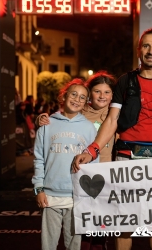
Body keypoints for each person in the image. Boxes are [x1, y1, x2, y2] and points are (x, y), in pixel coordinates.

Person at [72, 28, 152, 250]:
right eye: (146, 46)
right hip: (127, 155)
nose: (151, 50)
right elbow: (112, 120)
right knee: (125, 220)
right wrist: (92, 150)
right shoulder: (124, 81)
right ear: (139, 50)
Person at [37, 71, 117, 250]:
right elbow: (61, 120)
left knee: (100, 231)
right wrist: (42, 120)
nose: (102, 96)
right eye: (97, 91)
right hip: (80, 181)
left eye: (107, 92)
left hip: (105, 179)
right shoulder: (81, 112)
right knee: (81, 233)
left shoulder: (116, 115)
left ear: (113, 95)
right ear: (90, 94)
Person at [32, 78, 99, 250]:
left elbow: (93, 161)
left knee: (74, 245)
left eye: (82, 97)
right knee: (48, 245)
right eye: (74, 94)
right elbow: (39, 158)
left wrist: (88, 194)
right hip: (50, 195)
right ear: (64, 96)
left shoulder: (89, 128)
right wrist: (39, 189)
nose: (77, 99)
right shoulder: (47, 124)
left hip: (76, 196)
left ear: (86, 102)